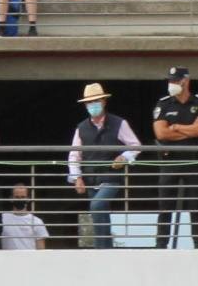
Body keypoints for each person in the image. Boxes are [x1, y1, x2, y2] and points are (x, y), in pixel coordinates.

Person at [68, 82, 140, 248]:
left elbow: (135, 146)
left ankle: (100, 248)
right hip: (90, 178)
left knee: (97, 205)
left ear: (104, 102)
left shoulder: (119, 123)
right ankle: (107, 249)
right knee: (100, 214)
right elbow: (74, 155)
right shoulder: (81, 128)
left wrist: (124, 157)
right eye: (89, 102)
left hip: (111, 176)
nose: (93, 105)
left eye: (96, 101)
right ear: (85, 105)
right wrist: (76, 177)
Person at [152, 65, 198, 248]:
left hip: (193, 162)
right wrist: (189, 131)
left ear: (185, 81)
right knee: (165, 207)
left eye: (175, 80)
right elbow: (161, 134)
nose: (171, 84)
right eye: (170, 80)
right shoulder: (164, 103)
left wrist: (176, 127)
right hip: (169, 162)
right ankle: (161, 246)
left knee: (196, 207)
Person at [0, 183, 49, 248]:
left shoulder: (37, 222)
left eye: (23, 197)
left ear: (28, 199)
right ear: (11, 198)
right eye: (17, 197)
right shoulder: (1, 219)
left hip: (29, 258)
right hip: (7, 258)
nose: (20, 200)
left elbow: (41, 249)